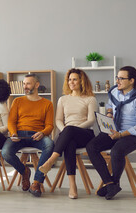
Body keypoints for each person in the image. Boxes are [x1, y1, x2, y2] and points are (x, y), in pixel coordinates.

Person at [86, 66, 136, 200]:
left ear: (131, 80)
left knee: (117, 150)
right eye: (117, 78)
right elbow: (110, 105)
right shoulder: (115, 92)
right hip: (114, 131)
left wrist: (120, 135)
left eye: (121, 78)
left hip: (134, 136)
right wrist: (109, 113)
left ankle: (115, 182)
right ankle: (110, 184)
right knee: (91, 147)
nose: (117, 81)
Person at [38, 69, 97, 199]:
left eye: (75, 79)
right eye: (69, 79)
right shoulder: (63, 99)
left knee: (69, 131)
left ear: (82, 81)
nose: (71, 82)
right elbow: (58, 120)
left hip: (85, 134)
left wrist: (71, 129)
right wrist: (66, 130)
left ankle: (51, 160)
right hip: (67, 134)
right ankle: (72, 186)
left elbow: (91, 120)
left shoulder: (90, 99)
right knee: (69, 143)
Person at [1, 74, 55, 197]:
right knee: (6, 152)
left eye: (28, 84)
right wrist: (13, 133)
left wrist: (43, 133)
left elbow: (50, 125)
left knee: (50, 145)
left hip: (37, 135)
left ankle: (36, 182)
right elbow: (11, 121)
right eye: (24, 84)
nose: (25, 86)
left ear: (37, 85)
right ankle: (24, 171)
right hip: (19, 134)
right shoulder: (17, 101)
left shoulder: (47, 104)